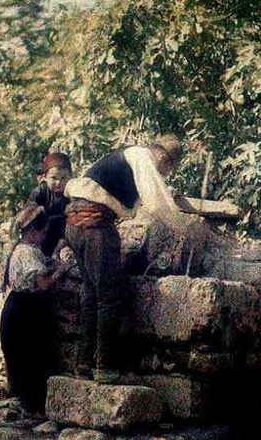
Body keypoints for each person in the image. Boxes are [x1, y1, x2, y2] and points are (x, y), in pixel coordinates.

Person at [64, 134, 190, 383]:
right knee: (109, 297)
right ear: (164, 157)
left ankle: (82, 364)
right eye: (168, 168)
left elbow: (142, 197)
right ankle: (105, 367)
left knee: (90, 294)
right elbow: (157, 202)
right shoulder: (143, 157)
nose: (165, 174)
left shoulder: (126, 157)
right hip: (95, 226)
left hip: (75, 224)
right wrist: (185, 228)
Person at [0, 203, 70, 413]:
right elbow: (43, 284)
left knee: (26, 356)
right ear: (32, 232)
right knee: (31, 355)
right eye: (43, 232)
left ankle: (29, 403)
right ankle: (33, 405)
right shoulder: (26, 253)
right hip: (26, 312)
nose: (44, 236)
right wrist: (61, 271)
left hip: (18, 307)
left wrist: (56, 253)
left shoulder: (24, 249)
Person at [28, 152, 73, 257]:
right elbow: (28, 218)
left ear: (71, 176)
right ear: (45, 177)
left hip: (66, 237)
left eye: (63, 178)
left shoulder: (73, 192)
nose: (58, 182)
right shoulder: (40, 193)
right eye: (54, 178)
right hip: (42, 236)